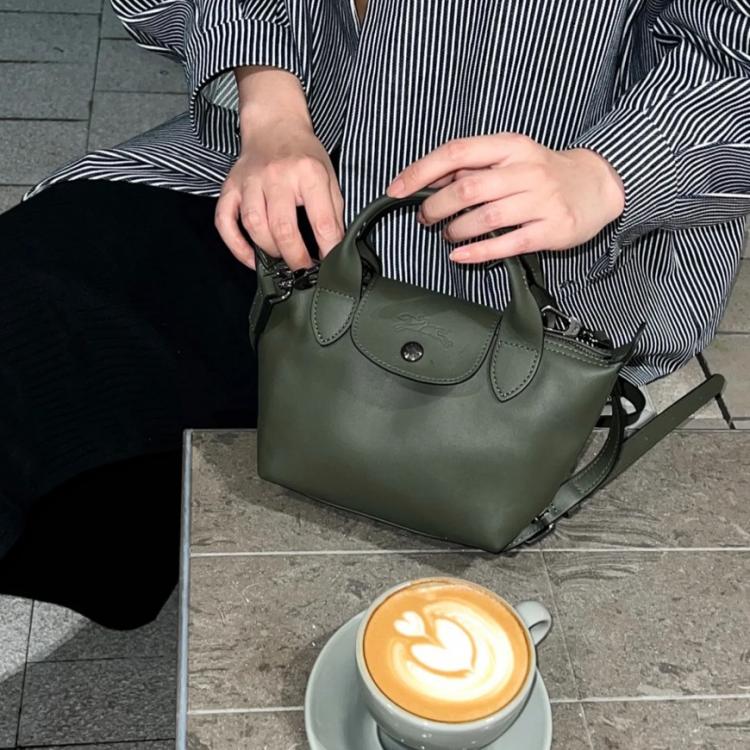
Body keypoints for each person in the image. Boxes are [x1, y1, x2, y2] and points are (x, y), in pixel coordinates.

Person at [1, 0, 748, 629]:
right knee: (32, 316)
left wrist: (609, 172)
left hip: (554, 245)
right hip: (294, 164)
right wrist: (269, 104)